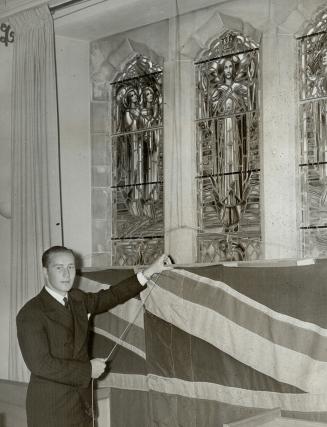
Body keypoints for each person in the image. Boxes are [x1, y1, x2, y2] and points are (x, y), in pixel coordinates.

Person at [16, 246, 171, 427]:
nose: (66, 274)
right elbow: (41, 365)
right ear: (45, 272)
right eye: (59, 268)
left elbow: (112, 295)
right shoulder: (31, 313)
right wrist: (87, 370)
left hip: (82, 406)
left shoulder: (78, 299)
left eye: (71, 267)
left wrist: (150, 271)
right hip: (50, 410)